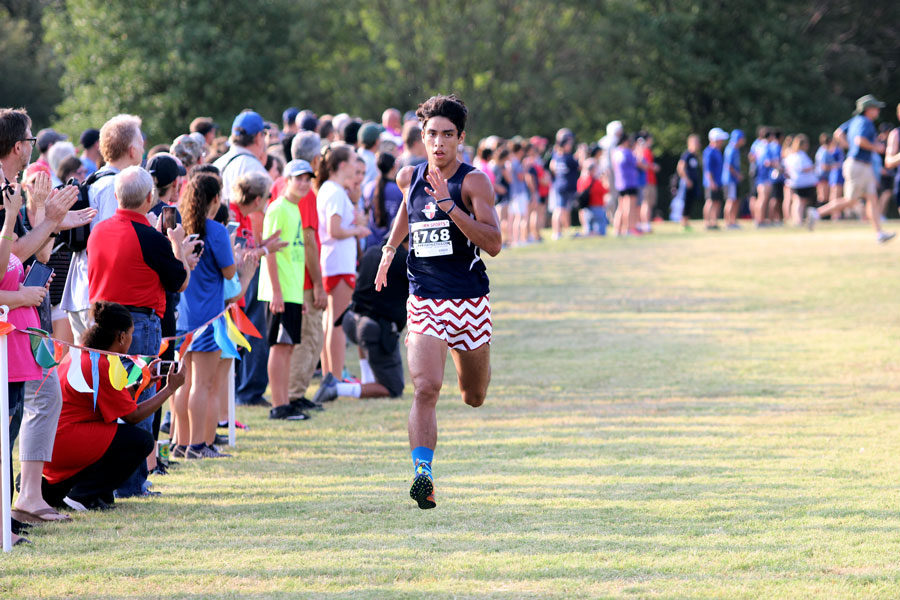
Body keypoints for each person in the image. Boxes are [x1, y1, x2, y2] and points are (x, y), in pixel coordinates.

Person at [373, 94, 501, 510]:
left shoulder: (474, 181)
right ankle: (422, 475)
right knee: (425, 387)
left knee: (474, 396)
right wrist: (390, 249)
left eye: (448, 135)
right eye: (432, 135)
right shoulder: (409, 177)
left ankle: (471, 384)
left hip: (469, 300)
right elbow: (407, 215)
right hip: (425, 298)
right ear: (421, 137)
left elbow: (494, 243)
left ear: (461, 138)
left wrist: (450, 207)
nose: (440, 143)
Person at [87, 166, 197, 496]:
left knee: (106, 404)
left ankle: (108, 482)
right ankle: (132, 485)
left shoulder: (99, 230)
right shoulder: (151, 237)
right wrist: (176, 245)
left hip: (102, 322)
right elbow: (181, 280)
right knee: (139, 404)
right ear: (149, 198)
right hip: (138, 326)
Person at [42, 302, 186, 511]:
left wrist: (140, 385)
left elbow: (111, 398)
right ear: (121, 337)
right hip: (68, 441)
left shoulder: (84, 354)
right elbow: (133, 416)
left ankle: (61, 492)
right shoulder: (100, 363)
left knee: (121, 439)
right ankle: (83, 496)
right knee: (140, 441)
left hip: (56, 444)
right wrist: (169, 389)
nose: (131, 339)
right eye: (131, 334)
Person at [169, 172, 238, 456]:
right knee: (205, 385)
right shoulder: (216, 231)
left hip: (183, 317)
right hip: (210, 318)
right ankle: (199, 444)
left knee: (183, 382)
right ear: (215, 200)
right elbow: (230, 271)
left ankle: (180, 442)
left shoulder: (179, 228)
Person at [62, 114, 145, 341]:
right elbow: (111, 244)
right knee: (101, 371)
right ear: (130, 150)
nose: (143, 148)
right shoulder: (114, 186)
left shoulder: (95, 179)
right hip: (97, 296)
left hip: (83, 289)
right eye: (140, 143)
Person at [214, 111, 272, 406]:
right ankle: (248, 389)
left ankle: (231, 390)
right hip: (245, 253)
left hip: (221, 253)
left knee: (228, 323)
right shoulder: (252, 165)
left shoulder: (219, 162)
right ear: (259, 137)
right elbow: (258, 213)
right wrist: (261, 248)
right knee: (250, 322)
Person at [315, 242, 409, 402]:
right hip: (372, 329)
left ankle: (366, 380)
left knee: (366, 325)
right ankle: (338, 388)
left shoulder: (372, 250)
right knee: (394, 388)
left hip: (351, 320)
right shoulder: (405, 259)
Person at [259, 160, 314, 420]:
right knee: (280, 347)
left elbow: (294, 253)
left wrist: (296, 294)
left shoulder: (294, 208)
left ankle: (284, 402)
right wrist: (278, 292)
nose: (304, 183)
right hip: (279, 291)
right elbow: (269, 251)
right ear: (287, 180)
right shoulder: (279, 208)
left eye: (308, 178)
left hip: (291, 290)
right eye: (298, 178)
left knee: (288, 346)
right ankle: (279, 405)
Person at [316, 144, 371, 383]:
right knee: (337, 322)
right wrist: (358, 230)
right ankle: (335, 377)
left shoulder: (332, 189)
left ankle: (332, 375)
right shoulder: (336, 191)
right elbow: (335, 229)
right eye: (351, 161)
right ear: (341, 165)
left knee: (331, 322)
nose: (355, 166)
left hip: (334, 260)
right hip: (338, 261)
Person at [809, 95, 893, 242]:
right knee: (850, 200)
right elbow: (859, 140)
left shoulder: (855, 121)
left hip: (860, 164)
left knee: (872, 198)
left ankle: (879, 234)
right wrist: (876, 147)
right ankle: (816, 213)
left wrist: (848, 146)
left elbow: (838, 133)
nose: (878, 111)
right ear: (868, 110)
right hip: (858, 164)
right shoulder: (865, 122)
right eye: (875, 108)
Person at [363, 152, 403, 248]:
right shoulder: (399, 190)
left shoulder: (368, 188)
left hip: (371, 243)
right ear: (394, 167)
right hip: (392, 245)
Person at [784, 134, 818, 227]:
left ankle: (797, 219)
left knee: (798, 201)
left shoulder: (792, 155)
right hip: (802, 182)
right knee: (800, 201)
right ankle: (798, 220)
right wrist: (813, 167)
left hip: (796, 181)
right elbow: (802, 168)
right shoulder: (800, 155)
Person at [549, 129, 578, 240]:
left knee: (563, 210)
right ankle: (556, 232)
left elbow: (553, 168)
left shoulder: (556, 156)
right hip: (565, 187)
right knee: (560, 209)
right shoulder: (568, 157)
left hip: (559, 185)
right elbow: (578, 166)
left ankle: (562, 231)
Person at [611, 133, 640, 236]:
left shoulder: (615, 152)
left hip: (619, 183)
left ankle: (617, 229)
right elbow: (636, 162)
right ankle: (627, 229)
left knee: (620, 207)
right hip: (630, 182)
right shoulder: (627, 152)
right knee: (629, 207)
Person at [702, 128, 728, 230]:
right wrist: (711, 182)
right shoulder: (709, 152)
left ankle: (714, 222)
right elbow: (708, 169)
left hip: (718, 181)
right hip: (711, 182)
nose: (722, 141)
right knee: (710, 202)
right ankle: (707, 223)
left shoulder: (717, 151)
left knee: (717, 202)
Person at [676, 134, 702, 230]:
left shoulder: (695, 156)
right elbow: (680, 168)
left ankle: (687, 222)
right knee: (685, 202)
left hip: (693, 183)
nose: (698, 144)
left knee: (690, 202)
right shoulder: (686, 155)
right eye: (696, 142)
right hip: (687, 184)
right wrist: (686, 180)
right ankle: (683, 222)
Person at [722, 130, 745, 229]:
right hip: (730, 180)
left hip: (734, 180)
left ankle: (733, 221)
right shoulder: (730, 149)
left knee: (735, 200)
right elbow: (728, 166)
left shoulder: (736, 149)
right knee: (730, 200)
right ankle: (728, 222)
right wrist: (738, 175)